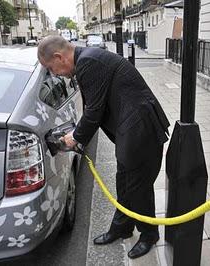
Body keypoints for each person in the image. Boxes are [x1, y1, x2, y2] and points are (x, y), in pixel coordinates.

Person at [37, 36, 170, 259]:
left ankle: (149, 235)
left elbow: (93, 112)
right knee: (124, 183)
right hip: (131, 133)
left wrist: (75, 138)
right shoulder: (87, 60)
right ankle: (121, 227)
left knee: (139, 188)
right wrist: (77, 133)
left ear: (59, 57)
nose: (55, 74)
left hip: (141, 133)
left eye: (52, 68)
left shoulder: (88, 63)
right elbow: (95, 108)